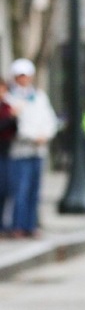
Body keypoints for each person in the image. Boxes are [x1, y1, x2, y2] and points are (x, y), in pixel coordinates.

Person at [6, 58, 58, 239]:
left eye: (26, 76)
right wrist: (33, 137)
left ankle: (31, 225)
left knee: (34, 191)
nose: (24, 79)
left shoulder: (40, 96)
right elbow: (17, 124)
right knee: (20, 190)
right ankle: (17, 226)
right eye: (20, 76)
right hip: (20, 151)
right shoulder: (10, 97)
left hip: (39, 151)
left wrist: (45, 135)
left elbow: (49, 120)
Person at [0, 79, 17, 236]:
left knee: (6, 189)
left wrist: (14, 119)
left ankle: (4, 225)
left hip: (6, 151)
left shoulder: (7, 106)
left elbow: (14, 128)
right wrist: (10, 119)